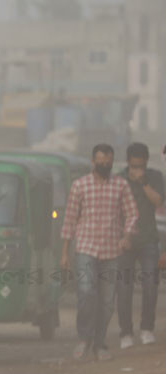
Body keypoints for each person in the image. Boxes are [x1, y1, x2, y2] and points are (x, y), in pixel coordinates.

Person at [60, 143, 138, 362]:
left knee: (106, 301)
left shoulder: (121, 186)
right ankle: (84, 338)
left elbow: (132, 214)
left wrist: (127, 235)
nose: (105, 164)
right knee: (86, 292)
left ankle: (100, 343)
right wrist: (65, 253)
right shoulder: (80, 186)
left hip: (112, 251)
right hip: (85, 248)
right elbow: (69, 220)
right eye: (101, 161)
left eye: (108, 161)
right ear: (93, 161)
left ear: (113, 162)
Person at [116, 143, 163, 349]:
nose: (136, 169)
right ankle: (125, 332)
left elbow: (158, 202)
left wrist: (143, 182)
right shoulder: (118, 179)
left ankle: (147, 328)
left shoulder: (154, 176)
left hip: (148, 240)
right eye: (134, 166)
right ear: (128, 162)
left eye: (140, 166)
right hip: (125, 241)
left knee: (150, 286)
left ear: (146, 163)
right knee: (124, 289)